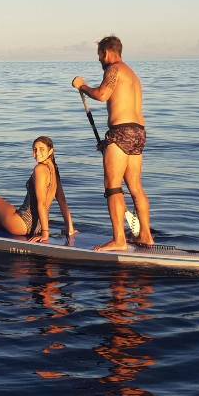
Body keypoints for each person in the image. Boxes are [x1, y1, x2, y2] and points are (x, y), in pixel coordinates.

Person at [72, 36, 155, 251]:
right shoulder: (132, 74)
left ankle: (119, 240)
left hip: (121, 131)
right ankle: (146, 235)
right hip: (138, 132)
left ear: (107, 52)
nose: (99, 60)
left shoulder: (114, 69)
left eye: (99, 55)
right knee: (136, 187)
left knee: (112, 188)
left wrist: (83, 86)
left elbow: (102, 95)